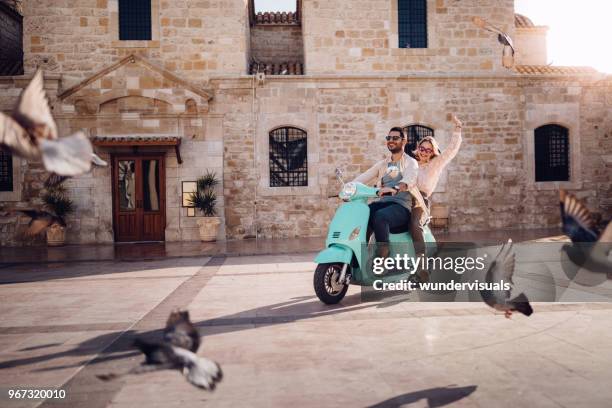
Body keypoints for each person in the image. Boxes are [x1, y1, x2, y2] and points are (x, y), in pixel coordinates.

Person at [353, 127, 419, 258]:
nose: (391, 141)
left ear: (404, 141)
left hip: (401, 207)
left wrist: (397, 188)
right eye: (388, 138)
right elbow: (363, 177)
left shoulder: (410, 162)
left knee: (380, 216)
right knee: (364, 212)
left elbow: (408, 180)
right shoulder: (383, 164)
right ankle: (359, 254)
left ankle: (383, 255)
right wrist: (350, 188)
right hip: (383, 203)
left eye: (395, 138)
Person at [410, 115, 463, 277]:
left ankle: (422, 263)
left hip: (421, 201)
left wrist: (457, 129)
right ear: (418, 148)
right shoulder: (411, 163)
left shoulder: (435, 164)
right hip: (405, 198)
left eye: (428, 149)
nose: (424, 152)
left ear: (433, 152)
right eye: (422, 148)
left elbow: (450, 151)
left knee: (414, 224)